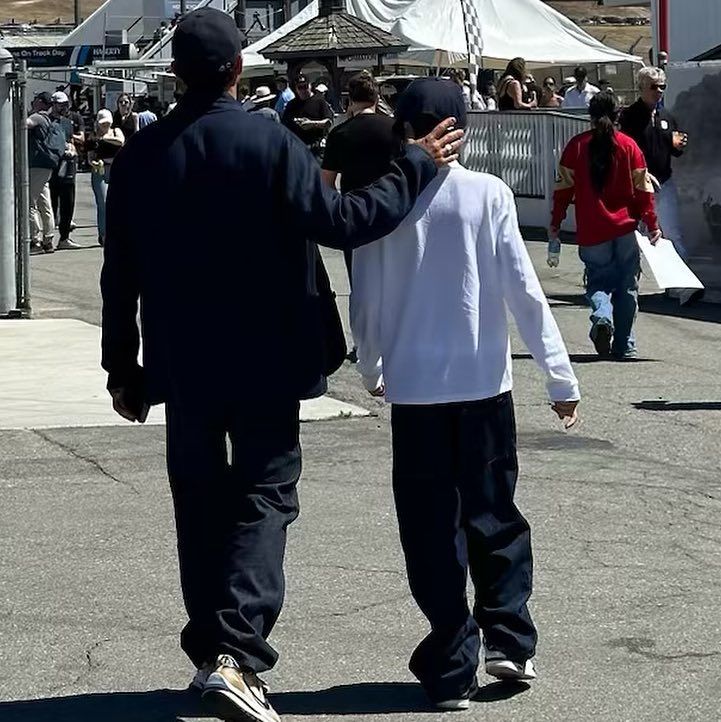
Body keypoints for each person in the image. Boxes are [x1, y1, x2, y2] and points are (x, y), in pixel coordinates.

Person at [100, 8, 463, 722]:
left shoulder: (141, 156)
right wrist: (417, 162)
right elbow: (343, 222)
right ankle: (236, 656)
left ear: (176, 74)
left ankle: (214, 654)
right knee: (265, 497)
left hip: (184, 361)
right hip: (268, 355)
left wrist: (123, 368)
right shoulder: (270, 144)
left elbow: (120, 273)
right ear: (239, 68)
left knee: (199, 506)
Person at [350, 77, 580, 711]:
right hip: (484, 385)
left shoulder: (385, 198)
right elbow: (523, 290)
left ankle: (452, 660)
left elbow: (364, 290)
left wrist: (370, 362)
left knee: (430, 527)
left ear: (402, 129)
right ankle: (509, 638)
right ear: (463, 130)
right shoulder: (488, 194)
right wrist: (559, 377)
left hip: (415, 389)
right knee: (494, 512)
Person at [550, 94, 660, 360]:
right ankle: (624, 344)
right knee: (627, 286)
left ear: (589, 114)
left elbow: (562, 190)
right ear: (617, 113)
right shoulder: (629, 146)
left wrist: (555, 223)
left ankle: (601, 315)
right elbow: (644, 191)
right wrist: (652, 224)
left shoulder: (577, 146)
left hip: (592, 229)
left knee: (597, 281)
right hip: (625, 229)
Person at [321, 71, 398, 361]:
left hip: (356, 215)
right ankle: (395, 335)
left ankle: (365, 344)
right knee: (394, 276)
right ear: (376, 98)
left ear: (349, 100)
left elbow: (326, 184)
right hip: (393, 210)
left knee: (361, 284)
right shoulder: (395, 129)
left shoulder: (340, 134)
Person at [619, 68, 688, 259]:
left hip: (664, 183)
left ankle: (680, 283)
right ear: (641, 87)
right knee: (634, 236)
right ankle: (629, 280)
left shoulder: (666, 116)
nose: (658, 91)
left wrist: (678, 145)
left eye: (662, 86)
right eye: (653, 86)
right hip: (638, 185)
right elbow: (624, 151)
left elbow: (674, 150)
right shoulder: (629, 116)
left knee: (672, 232)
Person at [48, 91, 83, 250]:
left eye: (65, 104)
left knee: (68, 202)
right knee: (51, 203)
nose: (63, 107)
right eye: (60, 104)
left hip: (68, 166)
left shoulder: (68, 122)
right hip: (52, 167)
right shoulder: (46, 120)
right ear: (53, 104)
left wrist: (71, 148)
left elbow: (71, 140)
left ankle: (64, 237)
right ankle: (47, 237)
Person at [26, 92, 59, 254]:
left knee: (29, 203)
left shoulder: (38, 117)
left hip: (37, 165)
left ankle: (36, 240)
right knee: (44, 203)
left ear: (40, 102)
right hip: (46, 165)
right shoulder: (49, 119)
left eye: (35, 100)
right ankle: (48, 238)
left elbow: (25, 124)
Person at [87, 109, 124, 246]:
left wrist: (104, 138)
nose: (105, 126)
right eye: (103, 123)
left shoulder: (115, 132)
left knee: (118, 202)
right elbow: (90, 157)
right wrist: (93, 162)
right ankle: (104, 234)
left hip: (116, 170)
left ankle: (118, 232)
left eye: (108, 123)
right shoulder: (92, 136)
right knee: (103, 203)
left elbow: (121, 141)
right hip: (100, 171)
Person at [282, 75, 334, 161]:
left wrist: (312, 124)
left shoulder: (319, 101)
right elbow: (285, 124)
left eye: (305, 86)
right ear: (296, 89)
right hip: (296, 147)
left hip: (315, 146)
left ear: (310, 86)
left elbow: (328, 122)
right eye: (300, 87)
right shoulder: (291, 104)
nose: (303, 90)